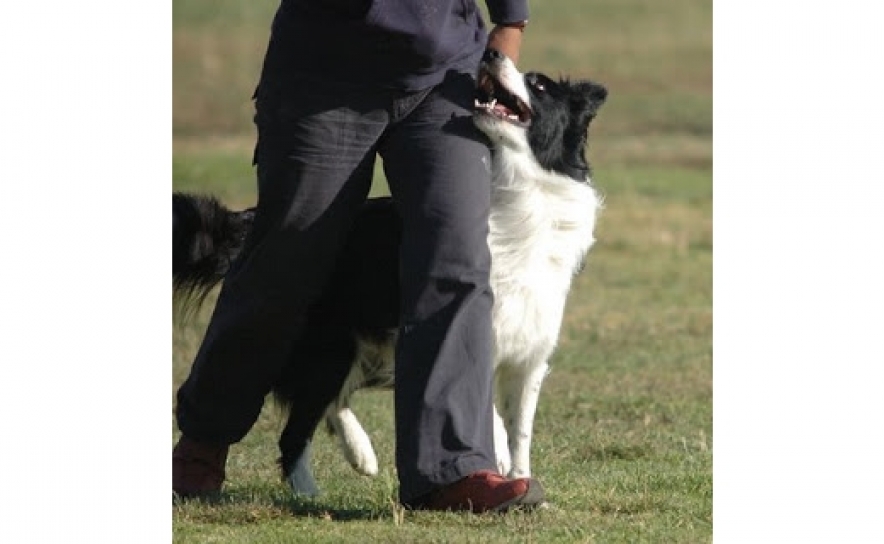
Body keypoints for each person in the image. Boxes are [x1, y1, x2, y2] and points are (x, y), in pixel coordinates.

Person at [173, 0, 544, 512]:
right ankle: (203, 443)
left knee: (456, 260)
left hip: (446, 73)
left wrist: (509, 23)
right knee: (285, 263)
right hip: (324, 75)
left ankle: (450, 470)